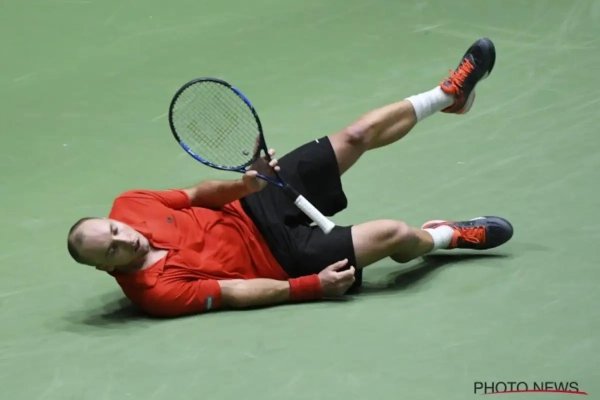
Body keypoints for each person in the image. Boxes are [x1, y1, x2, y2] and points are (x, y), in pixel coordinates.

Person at [66, 38, 514, 318]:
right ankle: (445, 236)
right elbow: (234, 291)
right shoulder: (156, 295)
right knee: (395, 235)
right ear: (106, 266)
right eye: (112, 249)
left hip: (256, 203)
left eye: (114, 231)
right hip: (284, 258)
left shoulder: (131, 205)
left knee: (355, 136)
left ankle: (448, 96)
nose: (124, 239)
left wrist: (246, 185)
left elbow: (196, 194)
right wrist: (310, 287)